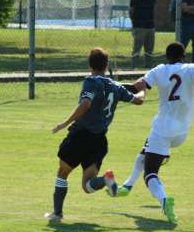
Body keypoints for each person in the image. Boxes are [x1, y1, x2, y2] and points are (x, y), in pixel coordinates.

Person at [113, 42, 194, 224]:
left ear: (167, 56)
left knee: (150, 173)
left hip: (163, 128)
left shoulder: (159, 70)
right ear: (183, 55)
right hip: (182, 131)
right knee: (145, 150)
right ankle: (127, 185)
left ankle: (164, 200)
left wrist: (113, 85)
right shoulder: (192, 68)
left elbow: (135, 88)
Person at [44, 47, 145, 221]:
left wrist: (65, 123)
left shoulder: (91, 81)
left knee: (62, 173)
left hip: (81, 136)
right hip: (99, 141)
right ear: (106, 65)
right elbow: (138, 100)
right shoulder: (116, 86)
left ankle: (57, 214)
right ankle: (106, 180)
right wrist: (144, 88)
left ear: (90, 65)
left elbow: (85, 104)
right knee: (88, 186)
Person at [130, 0, 157, 68]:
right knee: (137, 49)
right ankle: (134, 67)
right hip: (139, 27)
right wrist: (134, 24)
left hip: (150, 27)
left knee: (149, 50)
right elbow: (131, 11)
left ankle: (148, 67)